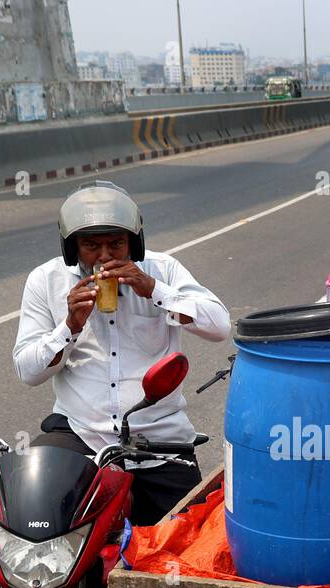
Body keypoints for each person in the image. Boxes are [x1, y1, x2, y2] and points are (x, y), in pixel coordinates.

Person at [13, 181, 232, 526]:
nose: (104, 257)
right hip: (81, 435)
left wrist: (154, 291)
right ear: (71, 249)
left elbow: (219, 327)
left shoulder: (162, 270)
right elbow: (28, 371)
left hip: (159, 439)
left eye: (116, 243)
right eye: (90, 246)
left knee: (191, 544)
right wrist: (68, 327)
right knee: (28, 515)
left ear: (135, 241)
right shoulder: (46, 280)